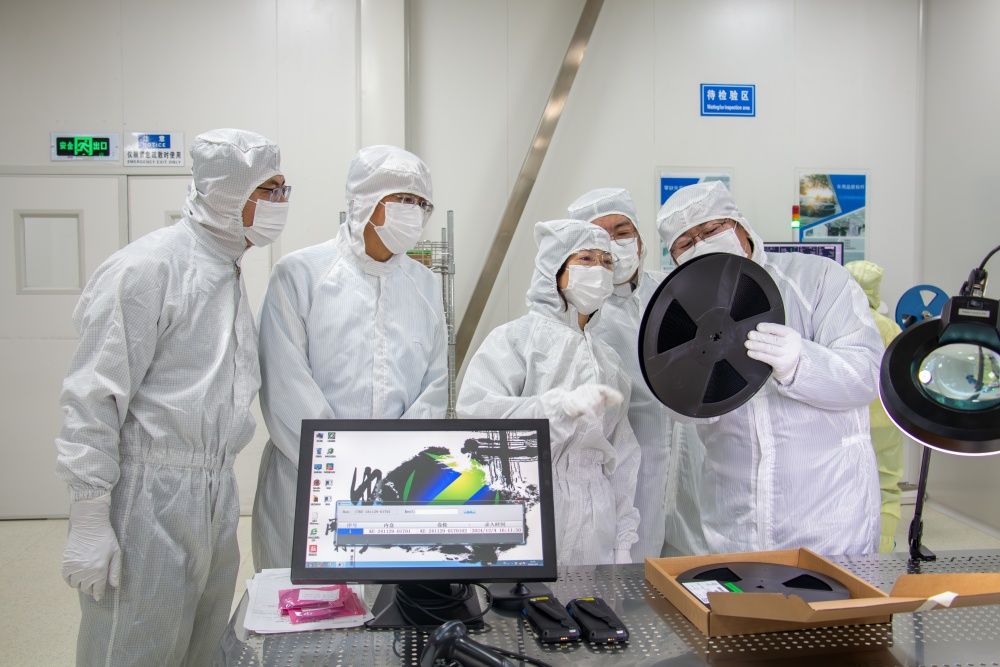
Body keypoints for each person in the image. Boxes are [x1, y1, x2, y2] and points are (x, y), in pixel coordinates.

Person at [56, 128, 288, 665]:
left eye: (283, 189)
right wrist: (89, 514)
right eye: (268, 189)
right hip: (148, 498)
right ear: (227, 191)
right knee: (133, 646)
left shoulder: (225, 269)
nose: (280, 203)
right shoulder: (148, 268)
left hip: (214, 492)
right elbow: (93, 395)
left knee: (199, 646)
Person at [657, 181, 882, 556]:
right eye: (685, 243)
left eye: (711, 230)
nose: (701, 244)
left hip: (827, 515)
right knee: (739, 592)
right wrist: (685, 397)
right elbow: (681, 401)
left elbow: (867, 375)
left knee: (830, 595)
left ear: (740, 226)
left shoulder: (817, 279)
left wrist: (801, 363)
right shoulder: (683, 313)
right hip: (734, 520)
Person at [251, 144, 448, 571]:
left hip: (397, 489)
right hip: (307, 482)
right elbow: (285, 385)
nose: (413, 212)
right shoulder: (300, 275)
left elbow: (434, 387)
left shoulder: (425, 286)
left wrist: (397, 467)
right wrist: (341, 466)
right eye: (402, 199)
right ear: (364, 201)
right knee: (308, 602)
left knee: (386, 602)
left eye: (421, 203)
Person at [457, 219, 641, 565]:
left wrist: (623, 539)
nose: (599, 270)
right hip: (527, 506)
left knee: (590, 598)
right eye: (586, 259)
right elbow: (477, 416)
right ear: (554, 269)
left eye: (606, 262)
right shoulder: (514, 339)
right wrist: (555, 409)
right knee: (525, 599)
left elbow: (623, 454)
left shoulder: (608, 360)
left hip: (595, 518)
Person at [566, 187, 707, 559]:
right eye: (600, 236)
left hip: (692, 468)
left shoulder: (675, 293)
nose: (614, 245)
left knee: (694, 570)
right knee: (629, 568)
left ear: (641, 240)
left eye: (622, 232)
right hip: (624, 475)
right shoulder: (577, 315)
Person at [846, 260, 904, 552]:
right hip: (886, 419)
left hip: (848, 419)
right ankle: (883, 548)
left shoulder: (841, 323)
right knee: (886, 487)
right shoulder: (889, 327)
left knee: (845, 484)